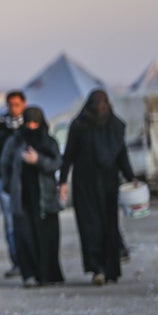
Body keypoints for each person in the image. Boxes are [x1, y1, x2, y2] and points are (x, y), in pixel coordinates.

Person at [59, 89, 137, 286]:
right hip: (84, 185)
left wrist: (131, 178)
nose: (100, 108)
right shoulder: (79, 126)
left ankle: (110, 270)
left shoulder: (116, 126)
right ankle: (97, 269)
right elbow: (68, 155)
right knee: (89, 227)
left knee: (109, 227)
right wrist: (62, 182)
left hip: (109, 184)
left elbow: (121, 155)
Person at [0, 106, 64, 288]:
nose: (32, 127)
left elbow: (57, 162)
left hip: (45, 199)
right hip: (22, 198)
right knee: (25, 237)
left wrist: (39, 161)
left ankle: (48, 275)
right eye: (29, 123)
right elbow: (4, 165)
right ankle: (29, 274)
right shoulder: (15, 142)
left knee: (47, 238)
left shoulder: (49, 142)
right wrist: (10, 188)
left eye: (35, 123)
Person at [0, 90, 27, 278]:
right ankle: (17, 262)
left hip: (26, 183)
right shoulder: (1, 127)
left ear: (23, 105)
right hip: (5, 183)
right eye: (10, 105)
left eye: (17, 104)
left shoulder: (31, 123)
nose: (13, 109)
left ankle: (30, 261)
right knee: (10, 224)